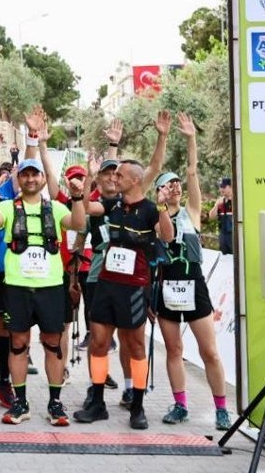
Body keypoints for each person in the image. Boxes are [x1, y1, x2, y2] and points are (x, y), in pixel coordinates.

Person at [74, 111, 174, 430]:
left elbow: (168, 236)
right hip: (106, 283)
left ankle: (138, 406)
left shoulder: (149, 209)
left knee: (136, 346)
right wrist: (89, 178)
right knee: (99, 342)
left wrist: (162, 136)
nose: (114, 179)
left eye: (119, 176)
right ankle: (97, 401)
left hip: (134, 286)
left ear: (134, 180)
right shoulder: (112, 204)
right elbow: (86, 207)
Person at [0, 156, 85, 426]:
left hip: (50, 287)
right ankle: (20, 402)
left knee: (53, 344)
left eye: (35, 174)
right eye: (25, 175)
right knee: (18, 344)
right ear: (19, 179)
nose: (30, 179)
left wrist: (77, 197)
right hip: (17, 287)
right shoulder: (7, 207)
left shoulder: (56, 208)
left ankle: (55, 402)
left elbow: (78, 224)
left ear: (42, 179)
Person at [154, 113, 231, 430]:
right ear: (158, 190)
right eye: (168, 183)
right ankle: (180, 405)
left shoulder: (193, 211)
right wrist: (161, 206)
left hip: (194, 285)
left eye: (176, 184)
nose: (175, 186)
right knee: (174, 349)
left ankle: (222, 408)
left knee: (209, 351)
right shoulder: (156, 216)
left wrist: (190, 138)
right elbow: (167, 237)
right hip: (168, 286)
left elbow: (192, 171)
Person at [209, 177, 235, 255]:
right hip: (223, 236)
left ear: (230, 187)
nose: (221, 189)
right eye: (220, 187)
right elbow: (211, 216)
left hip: (234, 236)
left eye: (224, 187)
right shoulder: (220, 202)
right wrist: (216, 205)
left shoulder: (237, 201)